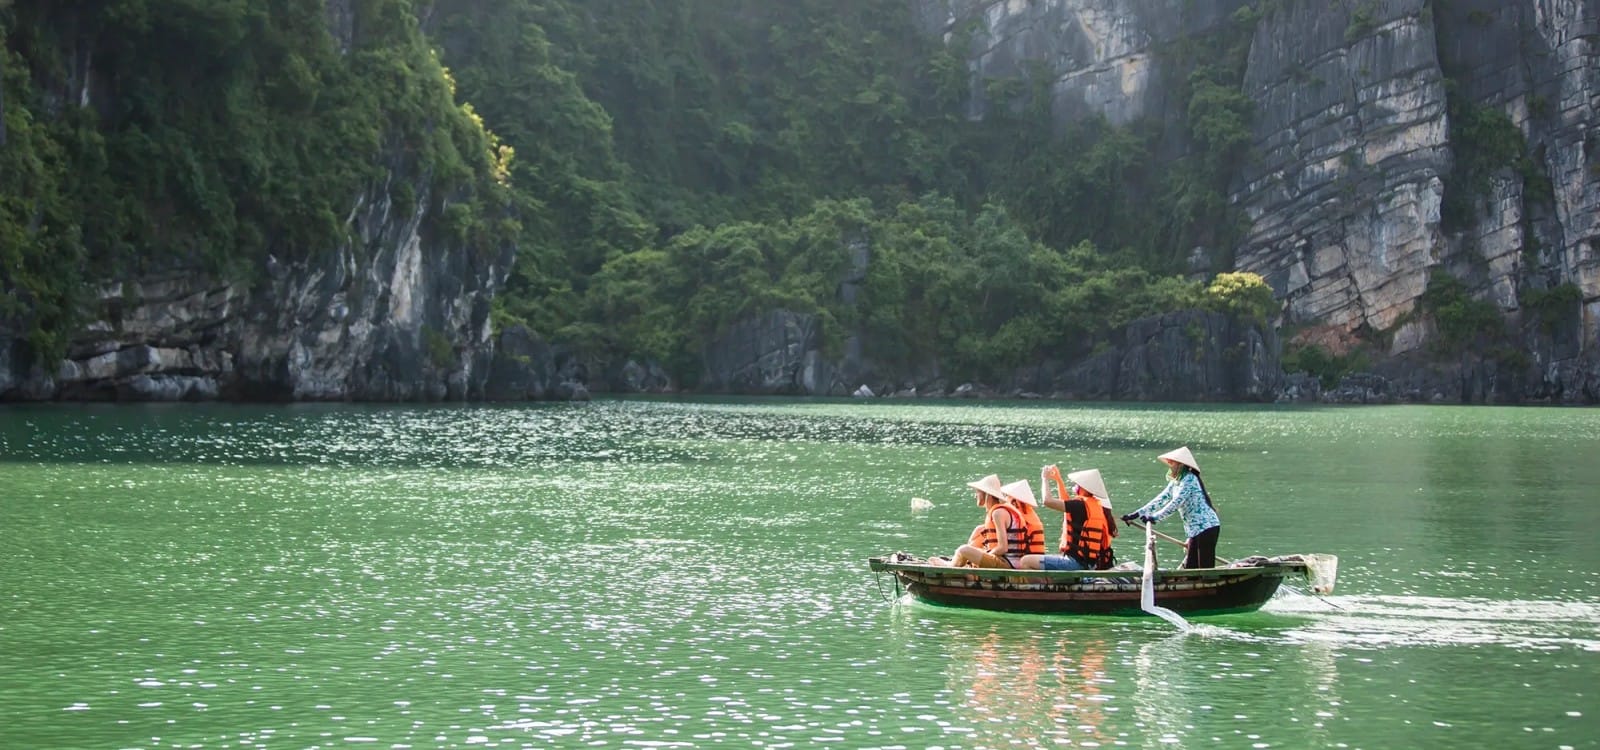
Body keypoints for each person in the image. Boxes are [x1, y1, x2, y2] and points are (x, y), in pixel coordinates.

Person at [1122, 446, 1222, 569]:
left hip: (1207, 527)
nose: (1169, 464)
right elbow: (1161, 499)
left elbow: (1176, 503)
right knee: (1191, 569)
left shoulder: (1190, 479)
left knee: (1204, 569)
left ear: (1181, 464)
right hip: (1194, 531)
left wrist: (1155, 517)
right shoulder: (1176, 481)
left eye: (1172, 462)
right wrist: (1136, 514)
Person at [928, 474, 1040, 568]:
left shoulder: (998, 513)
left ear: (987, 495)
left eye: (978, 492)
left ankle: (950, 567)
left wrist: (986, 555)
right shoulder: (1000, 511)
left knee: (963, 550)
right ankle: (954, 564)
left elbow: (1003, 548)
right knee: (968, 549)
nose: (975, 496)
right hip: (1007, 561)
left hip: (1008, 564)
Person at [1018, 466, 1116, 571]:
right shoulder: (1093, 506)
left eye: (1077, 484)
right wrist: (1058, 480)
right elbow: (1065, 502)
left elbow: (1047, 501)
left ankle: (1042, 583)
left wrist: (1044, 479)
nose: (1075, 486)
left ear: (1083, 488)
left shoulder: (1079, 505)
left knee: (1025, 561)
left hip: (1074, 563)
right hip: (1088, 563)